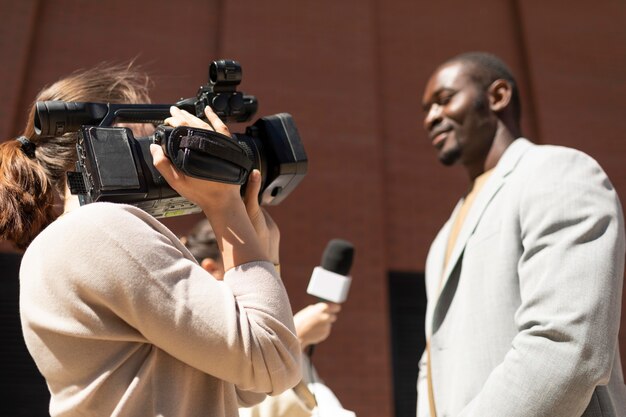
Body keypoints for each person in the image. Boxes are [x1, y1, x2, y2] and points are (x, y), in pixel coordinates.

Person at [0, 63, 302, 417]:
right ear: (106, 141)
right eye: (152, 138)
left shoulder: (74, 239)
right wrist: (225, 208)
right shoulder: (101, 229)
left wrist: (251, 234)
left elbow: (246, 385)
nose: (163, 155)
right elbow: (272, 363)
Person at [417, 51, 626, 417]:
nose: (431, 118)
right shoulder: (442, 239)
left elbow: (565, 348)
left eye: (444, 100)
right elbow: (433, 365)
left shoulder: (558, 172)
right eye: (426, 110)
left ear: (497, 96)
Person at [182, 218, 355, 417]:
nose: (268, 278)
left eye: (270, 265)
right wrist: (294, 341)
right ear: (213, 270)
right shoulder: (196, 338)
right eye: (253, 264)